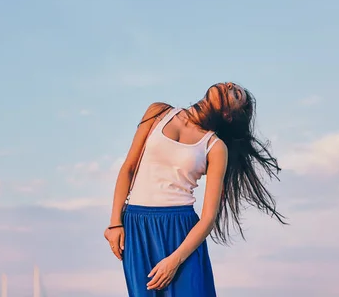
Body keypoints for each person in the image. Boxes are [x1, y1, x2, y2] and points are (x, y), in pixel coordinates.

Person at [104, 82, 286, 296]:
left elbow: (209, 218)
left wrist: (175, 260)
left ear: (228, 114)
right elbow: (129, 168)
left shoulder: (216, 147)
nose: (229, 85)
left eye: (236, 93)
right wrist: (115, 223)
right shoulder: (158, 112)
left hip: (181, 230)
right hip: (137, 225)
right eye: (231, 84)